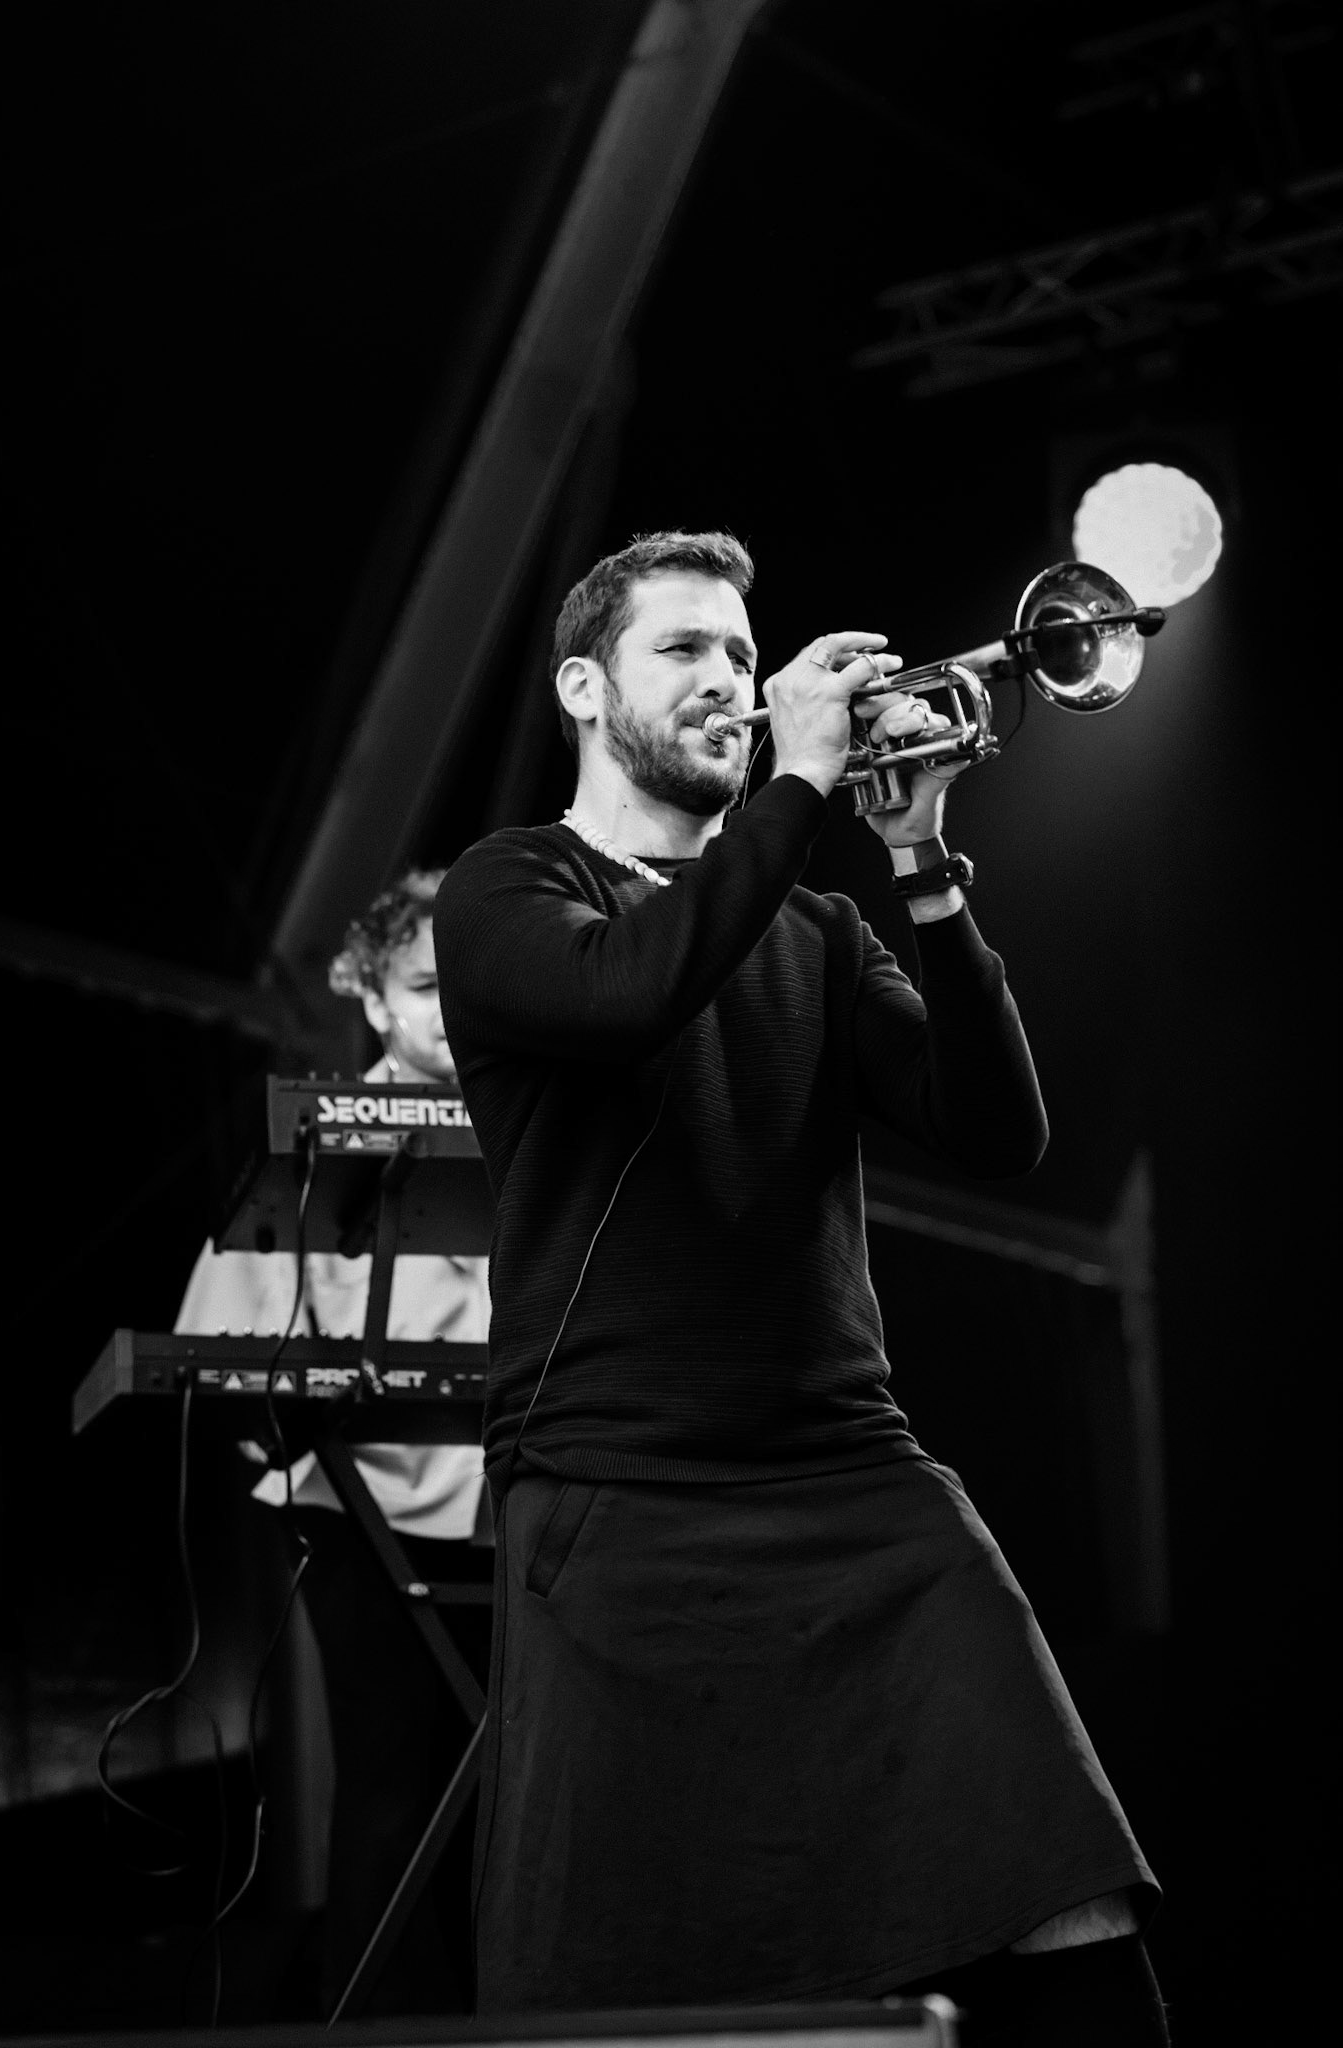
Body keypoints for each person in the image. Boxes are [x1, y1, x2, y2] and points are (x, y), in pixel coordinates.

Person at [433, 532, 1168, 2045]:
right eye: (684, 649)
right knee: (629, 1972)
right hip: (620, 1485)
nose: (729, 679)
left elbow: (999, 1134)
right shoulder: (509, 887)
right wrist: (804, 784)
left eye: (741, 653)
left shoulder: (817, 929)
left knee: (1065, 1881)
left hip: (845, 1471)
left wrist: (922, 864)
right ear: (583, 689)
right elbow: (632, 991)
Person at [175, 871, 490, 2016]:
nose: (454, 1009)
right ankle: (383, 2021)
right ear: (372, 995)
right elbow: (218, 1339)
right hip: (362, 1502)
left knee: (516, 1791)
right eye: (427, 985)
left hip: (522, 1502)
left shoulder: (547, 1131)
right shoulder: (317, 1134)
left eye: (475, 983)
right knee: (392, 1777)